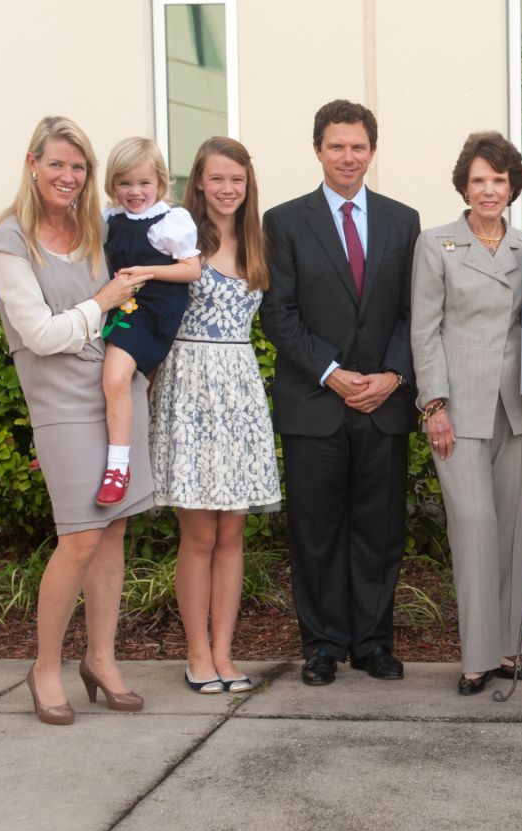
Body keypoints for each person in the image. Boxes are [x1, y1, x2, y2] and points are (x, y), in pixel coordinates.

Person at [0, 116, 153, 724]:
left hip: (115, 391)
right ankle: (45, 666)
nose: (68, 176)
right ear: (33, 164)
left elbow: (133, 300)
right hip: (60, 402)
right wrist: (100, 303)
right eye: (57, 163)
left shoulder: (95, 229)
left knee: (113, 531)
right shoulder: (10, 240)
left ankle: (102, 660)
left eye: (78, 167)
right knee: (80, 535)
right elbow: (37, 334)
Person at [260, 100, 421, 686]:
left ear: (372, 151)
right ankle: (323, 646)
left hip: (384, 404)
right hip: (315, 404)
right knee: (316, 531)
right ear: (318, 150)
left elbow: (415, 312)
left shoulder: (404, 221)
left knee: (380, 532)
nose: (347, 156)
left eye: (358, 146)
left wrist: (394, 374)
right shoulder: (283, 221)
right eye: (336, 146)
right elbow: (277, 314)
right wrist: (330, 372)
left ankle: (374, 643)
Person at [411, 132, 522, 695]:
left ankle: (509, 648)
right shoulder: (435, 243)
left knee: (514, 530)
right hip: (459, 409)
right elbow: (424, 330)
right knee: (474, 525)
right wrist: (433, 404)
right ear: (463, 186)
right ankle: (476, 657)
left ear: (512, 185)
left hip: (521, 405)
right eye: (478, 180)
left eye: (498, 179)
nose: (488, 190)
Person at [149, 137, 282, 694]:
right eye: (218, 179)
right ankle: (196, 652)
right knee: (199, 534)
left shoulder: (258, 243)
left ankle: (226, 653)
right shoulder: (177, 237)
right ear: (199, 183)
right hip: (190, 389)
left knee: (234, 534)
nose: (228, 189)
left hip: (241, 390)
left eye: (238, 180)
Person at [96, 138, 201, 507]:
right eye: (125, 183)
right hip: (118, 305)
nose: (135, 192)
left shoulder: (170, 222)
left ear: (160, 181)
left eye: (143, 182)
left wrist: (147, 272)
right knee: (116, 386)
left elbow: (192, 268)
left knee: (116, 377)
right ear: (112, 184)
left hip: (150, 309)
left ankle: (118, 468)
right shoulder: (110, 219)